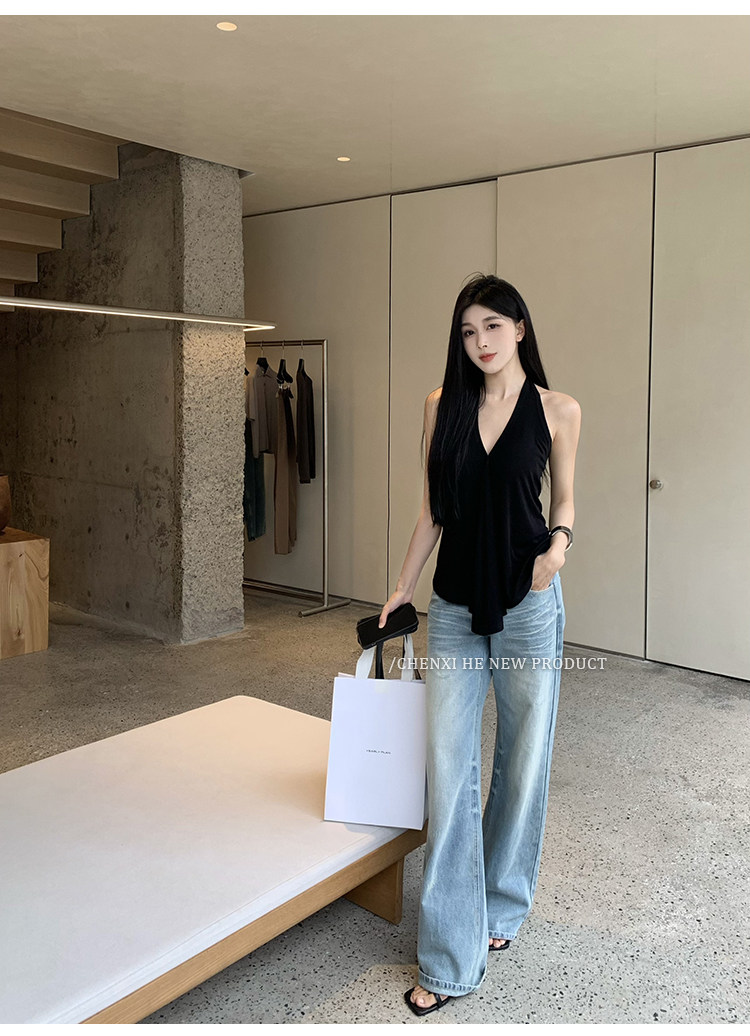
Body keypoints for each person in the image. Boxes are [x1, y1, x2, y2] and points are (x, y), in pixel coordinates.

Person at [377, 273, 581, 1017]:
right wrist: (403, 587)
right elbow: (433, 511)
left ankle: (502, 902)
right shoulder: (443, 406)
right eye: (468, 331)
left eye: (493, 326)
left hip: (529, 603)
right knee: (449, 769)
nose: (481, 342)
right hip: (457, 608)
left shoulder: (558, 410)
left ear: (520, 328)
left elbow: (563, 500)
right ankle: (448, 953)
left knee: (523, 760)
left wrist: (557, 549)